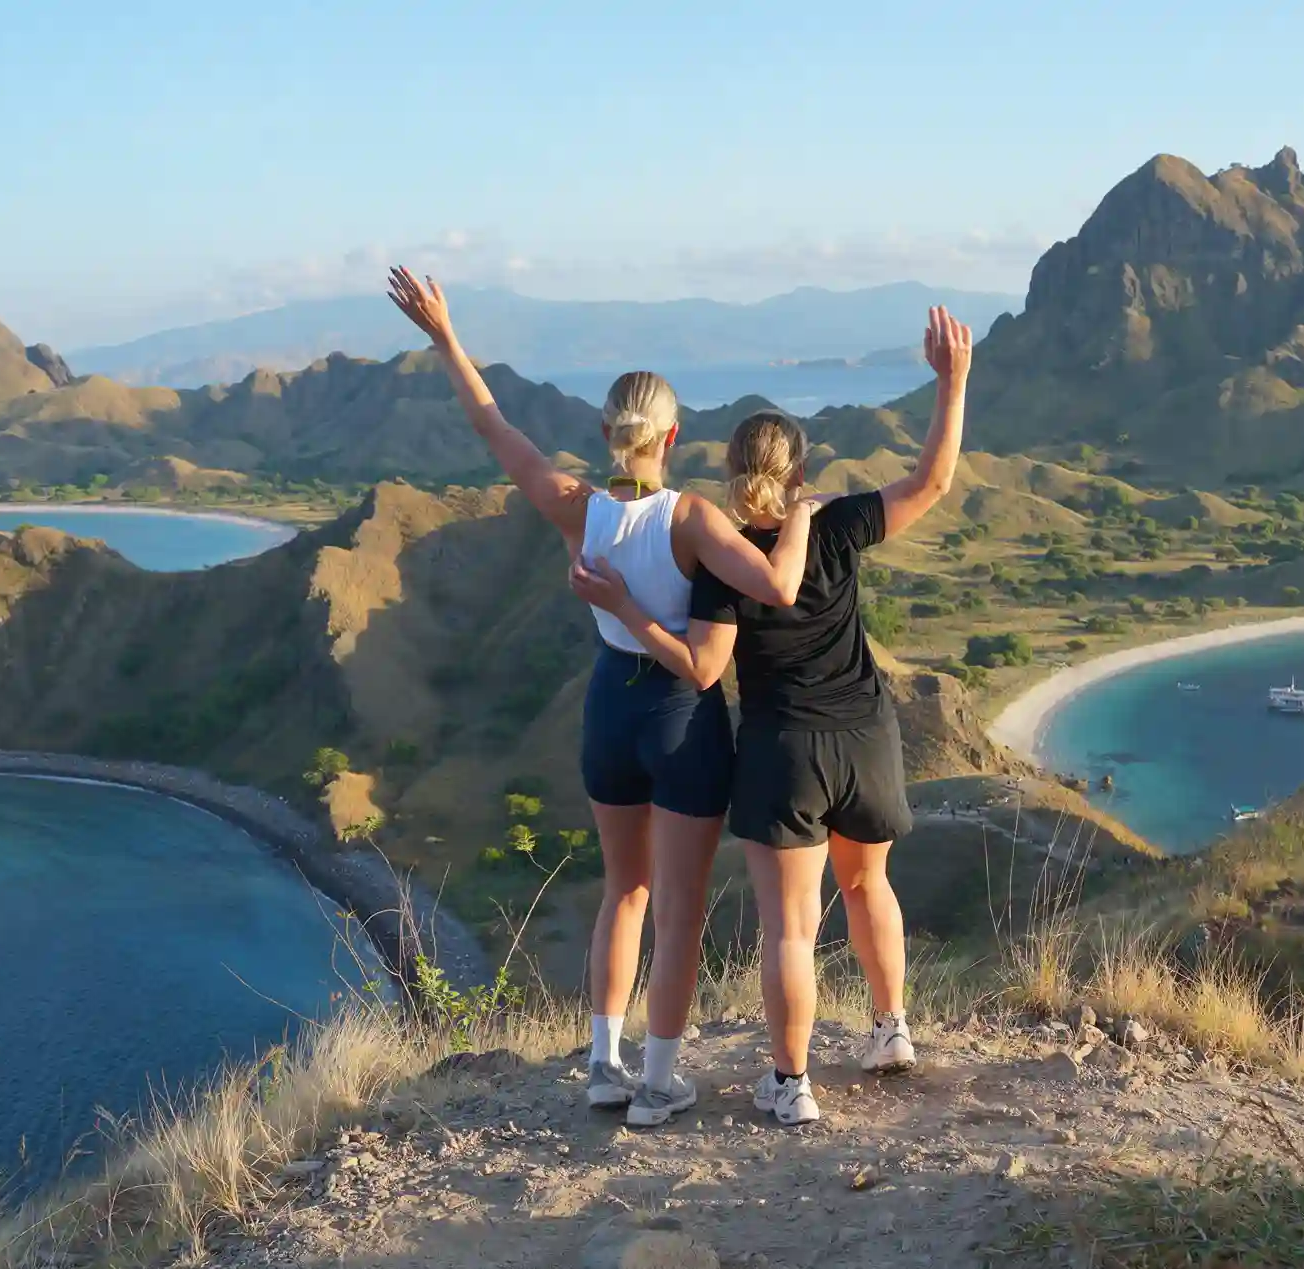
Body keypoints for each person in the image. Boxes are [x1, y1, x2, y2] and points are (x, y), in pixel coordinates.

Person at [388, 268, 815, 1128]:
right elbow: (773, 586)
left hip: (606, 714)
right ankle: (658, 1083)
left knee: (624, 888)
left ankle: (602, 1065)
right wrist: (803, 512)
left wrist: (445, 337)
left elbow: (493, 425)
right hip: (680, 720)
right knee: (680, 910)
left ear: (609, 432)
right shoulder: (691, 516)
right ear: (672, 433)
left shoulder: (578, 509)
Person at [574, 306, 974, 1127]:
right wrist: (952, 382)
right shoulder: (836, 522)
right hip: (865, 737)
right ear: (800, 470)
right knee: (870, 885)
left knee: (790, 924)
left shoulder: (726, 557)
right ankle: (890, 1029)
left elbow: (704, 663)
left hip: (780, 751)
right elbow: (931, 481)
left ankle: (791, 1085)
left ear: (727, 469)